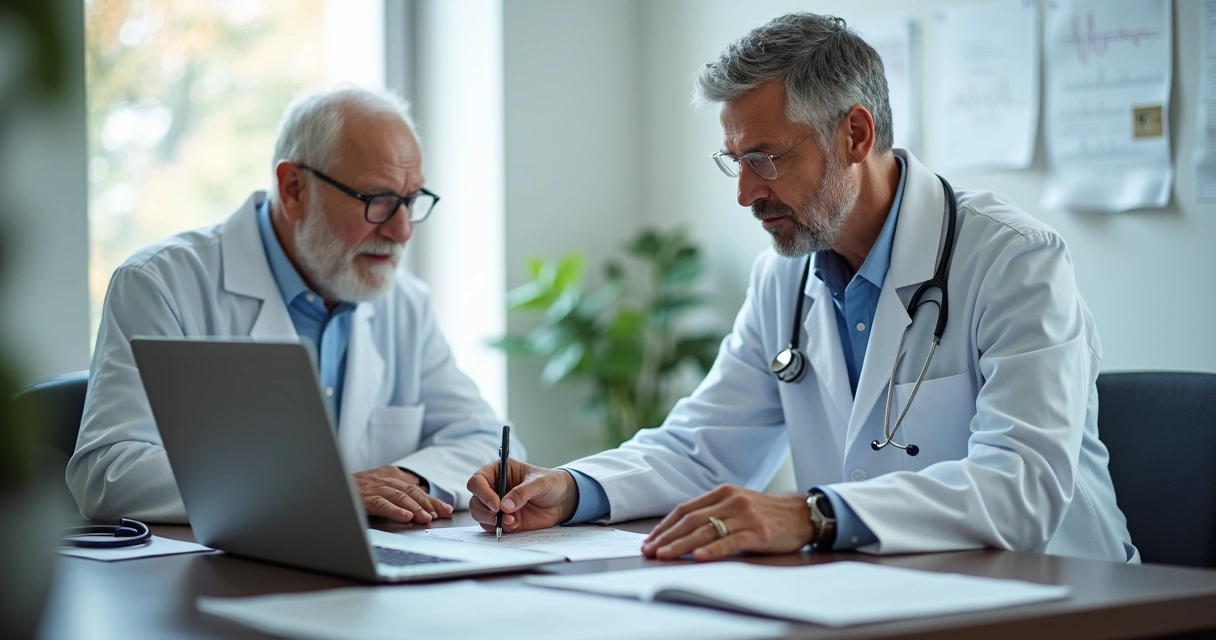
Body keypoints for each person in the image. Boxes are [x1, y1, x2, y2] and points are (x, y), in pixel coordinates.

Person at [467, 13, 1136, 563]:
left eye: (765, 159)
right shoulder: (784, 277)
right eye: (735, 161)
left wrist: (814, 514)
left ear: (854, 134)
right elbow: (703, 446)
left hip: (1064, 599)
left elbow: (1021, 489)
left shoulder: (1015, 262)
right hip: (897, 597)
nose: (744, 193)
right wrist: (574, 487)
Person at [69, 86, 522, 524]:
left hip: (370, 576)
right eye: (379, 201)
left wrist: (406, 480)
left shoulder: (405, 303)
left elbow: (491, 443)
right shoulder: (162, 283)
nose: (402, 230)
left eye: (409, 200)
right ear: (294, 189)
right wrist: (320, 491)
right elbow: (110, 470)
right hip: (217, 579)